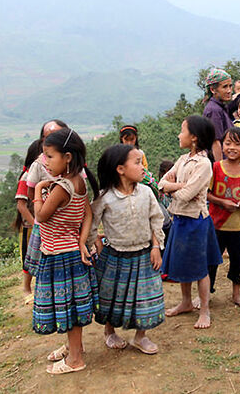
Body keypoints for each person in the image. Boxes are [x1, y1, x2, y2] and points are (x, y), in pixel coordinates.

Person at [32, 127, 100, 374]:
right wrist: (82, 241)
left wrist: (39, 188)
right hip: (71, 252)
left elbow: (40, 216)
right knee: (70, 307)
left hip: (60, 257)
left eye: (50, 156)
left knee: (69, 310)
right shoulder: (77, 181)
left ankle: (75, 360)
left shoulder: (60, 188)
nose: (45, 161)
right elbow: (87, 214)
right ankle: (74, 349)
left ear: (68, 157)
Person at [89, 144, 165, 354]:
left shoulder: (147, 193)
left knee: (144, 296)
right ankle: (109, 331)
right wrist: (94, 243)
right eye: (138, 163)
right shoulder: (105, 197)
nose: (143, 168)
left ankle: (140, 337)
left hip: (144, 253)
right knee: (113, 295)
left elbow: (156, 221)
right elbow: (91, 223)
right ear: (120, 169)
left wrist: (156, 246)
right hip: (115, 255)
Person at [159, 116, 223, 329]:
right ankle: (186, 301)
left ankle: (204, 309)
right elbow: (161, 183)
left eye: (182, 130)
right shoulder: (183, 159)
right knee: (183, 263)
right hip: (180, 219)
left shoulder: (204, 164)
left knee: (200, 266)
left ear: (194, 137)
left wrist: (174, 187)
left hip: (196, 221)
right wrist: (178, 186)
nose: (179, 134)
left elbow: (186, 195)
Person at [207, 127, 240, 309]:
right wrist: (222, 202)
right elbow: (206, 194)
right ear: (222, 146)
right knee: (210, 262)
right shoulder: (215, 168)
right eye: (227, 143)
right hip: (216, 225)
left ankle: (236, 295)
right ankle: (205, 294)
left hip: (239, 226)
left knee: (238, 262)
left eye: (237, 144)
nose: (231, 148)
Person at [25, 119, 69, 278]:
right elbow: (30, 193)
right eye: (47, 137)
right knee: (45, 268)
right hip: (46, 224)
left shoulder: (74, 164)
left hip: (70, 225)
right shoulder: (38, 164)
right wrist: (44, 203)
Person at [13, 139, 42, 302]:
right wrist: (35, 224)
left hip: (40, 223)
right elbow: (21, 206)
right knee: (28, 256)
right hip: (30, 226)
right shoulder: (26, 177)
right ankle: (26, 286)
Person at [202, 68, 234, 162]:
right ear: (213, 90)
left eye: (230, 86)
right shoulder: (214, 110)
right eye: (225, 87)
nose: (229, 91)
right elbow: (216, 143)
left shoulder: (221, 107)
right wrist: (220, 169)